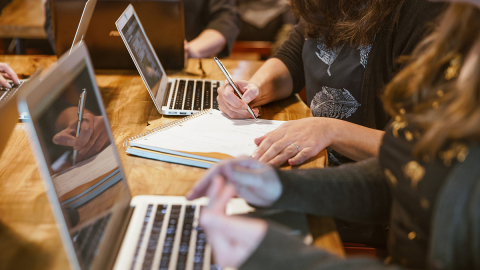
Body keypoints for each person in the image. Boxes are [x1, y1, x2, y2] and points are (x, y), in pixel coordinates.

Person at [187, 0, 480, 269]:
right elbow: (407, 171)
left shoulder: (429, 16)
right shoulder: (465, 29)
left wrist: (280, 256)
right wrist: (282, 187)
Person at [217, 0, 446, 167]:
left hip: (370, 201)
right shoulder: (324, 5)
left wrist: (331, 131)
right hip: (317, 167)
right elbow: (293, 56)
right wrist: (254, 89)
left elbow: (421, 150)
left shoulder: (423, 15)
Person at [43, 0, 240, 59]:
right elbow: (58, 18)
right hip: (96, 71)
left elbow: (226, 17)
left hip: (178, 70)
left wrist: (191, 49)